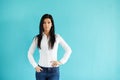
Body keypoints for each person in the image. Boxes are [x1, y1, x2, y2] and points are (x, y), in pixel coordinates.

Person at [28, 14, 72, 80]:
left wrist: (61, 62)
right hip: (41, 71)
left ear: (52, 24)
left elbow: (68, 50)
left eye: (49, 22)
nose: (46, 25)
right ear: (41, 25)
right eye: (44, 23)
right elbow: (29, 53)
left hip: (54, 71)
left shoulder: (57, 37)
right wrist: (35, 66)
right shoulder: (37, 38)